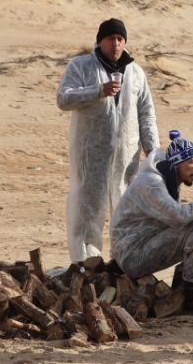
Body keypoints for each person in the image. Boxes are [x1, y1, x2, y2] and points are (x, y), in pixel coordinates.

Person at [57, 17, 159, 262]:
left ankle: (123, 263)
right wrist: (97, 91)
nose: (115, 44)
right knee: (87, 209)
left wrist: (153, 149)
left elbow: (146, 112)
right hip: (91, 154)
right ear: (100, 41)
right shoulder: (81, 66)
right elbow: (64, 98)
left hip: (126, 157)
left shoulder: (135, 73)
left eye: (120, 39)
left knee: (126, 210)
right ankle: (85, 264)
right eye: (110, 38)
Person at [110, 131, 193, 316]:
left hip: (144, 245)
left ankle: (184, 290)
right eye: (192, 162)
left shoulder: (167, 181)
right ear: (176, 163)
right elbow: (180, 217)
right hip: (131, 256)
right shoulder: (151, 183)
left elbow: (178, 221)